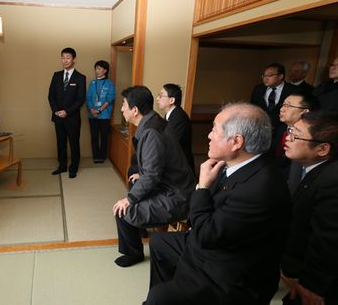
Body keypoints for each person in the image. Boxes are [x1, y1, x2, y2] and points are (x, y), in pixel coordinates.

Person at [144, 102, 292, 305]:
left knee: (158, 299)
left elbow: (206, 235)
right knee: (160, 243)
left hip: (233, 271)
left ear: (236, 142)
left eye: (214, 129)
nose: (209, 135)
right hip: (219, 240)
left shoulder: (258, 189)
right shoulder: (233, 163)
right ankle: (172, 290)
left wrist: (202, 187)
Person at [113, 86, 194, 268]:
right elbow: (158, 163)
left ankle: (134, 253)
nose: (121, 109)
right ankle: (138, 230)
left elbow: (152, 176)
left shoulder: (151, 132)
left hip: (176, 195)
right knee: (133, 184)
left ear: (135, 110)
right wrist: (141, 174)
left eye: (124, 105)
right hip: (171, 185)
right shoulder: (154, 121)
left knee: (122, 210)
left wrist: (129, 200)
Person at [281, 111, 338, 305]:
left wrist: (312, 285)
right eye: (290, 131)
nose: (287, 138)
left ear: (322, 149)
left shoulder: (332, 180)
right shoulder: (310, 168)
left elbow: (328, 240)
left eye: (295, 134)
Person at [48, 47, 86, 178]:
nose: (65, 60)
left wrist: (67, 112)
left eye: (68, 57)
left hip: (72, 118)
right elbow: (51, 96)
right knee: (60, 143)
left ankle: (73, 168)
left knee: (74, 144)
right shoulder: (56, 75)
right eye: (63, 57)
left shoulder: (80, 78)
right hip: (58, 117)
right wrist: (56, 111)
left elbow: (81, 99)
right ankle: (62, 166)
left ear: (74, 60)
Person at [272, 92, 318, 178]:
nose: (282, 109)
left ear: (305, 112)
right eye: (283, 105)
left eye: (288, 106)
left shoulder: (311, 137)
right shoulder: (280, 128)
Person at [250, 62, 301, 134]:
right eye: (264, 75)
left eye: (270, 75)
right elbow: (253, 107)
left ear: (280, 76)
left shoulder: (294, 90)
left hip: (282, 131)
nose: (265, 78)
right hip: (260, 129)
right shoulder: (258, 89)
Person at [155, 83, 195, 173]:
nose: (157, 99)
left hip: (181, 168)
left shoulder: (179, 117)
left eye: (160, 96)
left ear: (171, 100)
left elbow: (170, 145)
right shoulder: (170, 114)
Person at [86, 60, 116, 163]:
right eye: (96, 68)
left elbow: (110, 98)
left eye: (99, 68)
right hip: (92, 115)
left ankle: (102, 156)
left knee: (104, 137)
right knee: (94, 137)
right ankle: (96, 156)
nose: (96, 71)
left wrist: (99, 111)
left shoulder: (110, 83)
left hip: (104, 115)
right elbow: (88, 97)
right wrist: (92, 110)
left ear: (105, 70)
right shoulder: (92, 83)